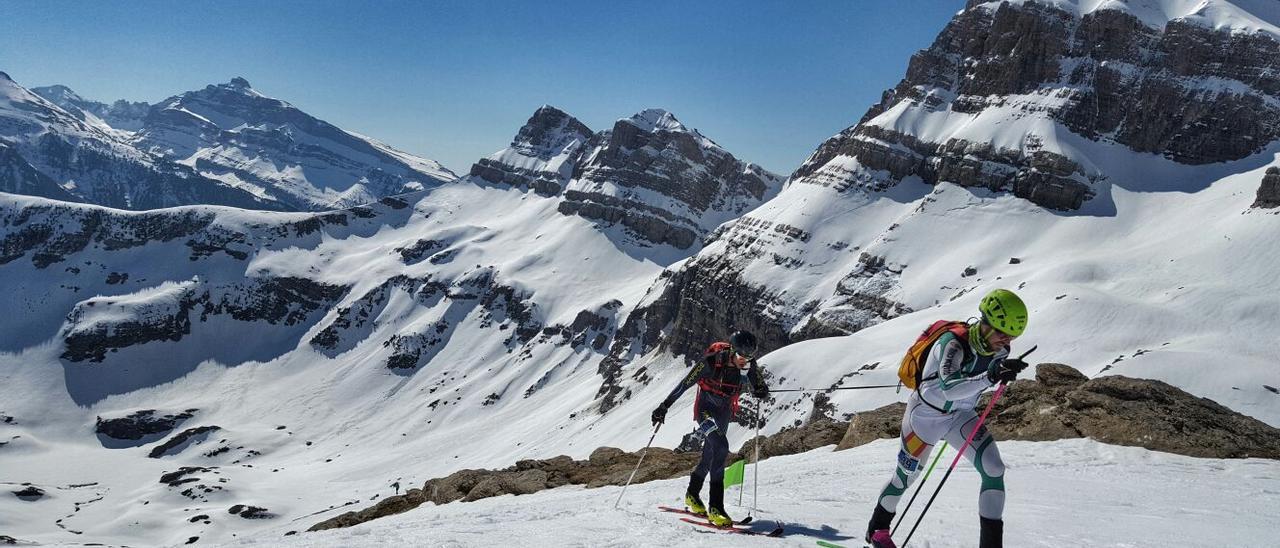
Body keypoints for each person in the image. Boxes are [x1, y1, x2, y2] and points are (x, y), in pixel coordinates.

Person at [866, 289, 1030, 548]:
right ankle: (878, 531)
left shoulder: (1000, 350)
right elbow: (949, 387)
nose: (1006, 340)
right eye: (1001, 332)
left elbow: (976, 383)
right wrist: (991, 376)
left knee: (994, 469)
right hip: (924, 417)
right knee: (905, 479)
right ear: (985, 323)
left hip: (961, 416)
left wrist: (1002, 373)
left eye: (1012, 335)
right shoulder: (953, 344)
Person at [651, 330, 769, 527]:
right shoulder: (711, 362)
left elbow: (760, 387)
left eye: (749, 358)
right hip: (705, 408)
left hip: (724, 410)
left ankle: (692, 494)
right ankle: (716, 508)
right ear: (732, 351)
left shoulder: (748, 364)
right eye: (741, 357)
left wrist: (761, 391)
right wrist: (664, 406)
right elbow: (684, 384)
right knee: (721, 447)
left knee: (710, 455)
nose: (745, 362)